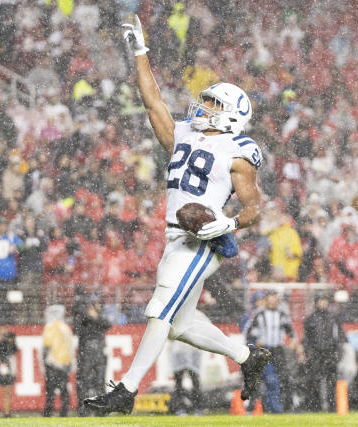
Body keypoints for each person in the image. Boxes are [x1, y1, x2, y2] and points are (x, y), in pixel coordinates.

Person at [84, 15, 270, 415]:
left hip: (203, 240)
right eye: (205, 100)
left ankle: (126, 391)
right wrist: (140, 51)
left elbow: (255, 206)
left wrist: (231, 222)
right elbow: (152, 100)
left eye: (212, 103)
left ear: (233, 114)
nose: (202, 105)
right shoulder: (184, 133)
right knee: (182, 325)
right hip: (175, 237)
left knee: (160, 309)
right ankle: (246, 356)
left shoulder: (239, 152)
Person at [245, 291, 302, 413]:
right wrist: (255, 345)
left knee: (285, 378)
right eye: (270, 300)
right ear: (266, 300)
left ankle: (288, 406)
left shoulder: (281, 314)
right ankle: (270, 408)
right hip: (264, 349)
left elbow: (290, 331)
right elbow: (250, 334)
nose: (272, 302)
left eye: (274, 300)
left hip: (278, 350)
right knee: (269, 379)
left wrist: (294, 342)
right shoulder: (259, 314)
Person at [302, 294, 347, 412]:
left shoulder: (333, 318)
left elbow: (340, 336)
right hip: (316, 353)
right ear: (316, 302)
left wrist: (338, 351)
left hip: (330, 353)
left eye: (325, 301)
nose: (323, 303)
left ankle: (332, 406)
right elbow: (306, 338)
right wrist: (308, 352)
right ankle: (315, 406)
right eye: (321, 301)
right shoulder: (310, 319)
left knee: (331, 381)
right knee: (315, 381)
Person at [74, 293, 111, 417]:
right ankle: (84, 410)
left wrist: (94, 318)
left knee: (99, 382)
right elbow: (76, 329)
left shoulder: (99, 319)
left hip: (98, 355)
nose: (99, 306)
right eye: (97, 304)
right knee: (83, 382)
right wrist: (89, 317)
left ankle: (100, 410)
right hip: (86, 355)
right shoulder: (83, 318)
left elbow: (108, 324)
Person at [41, 304, 73, 417]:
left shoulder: (50, 327)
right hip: (64, 363)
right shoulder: (66, 327)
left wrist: (44, 361)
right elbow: (70, 347)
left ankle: (48, 413)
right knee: (64, 390)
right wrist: (70, 363)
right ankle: (64, 412)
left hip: (52, 363)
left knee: (50, 391)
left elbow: (46, 346)